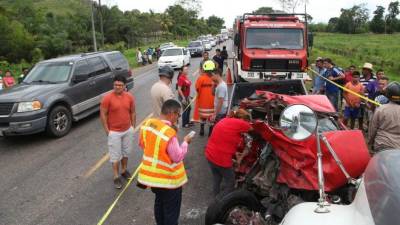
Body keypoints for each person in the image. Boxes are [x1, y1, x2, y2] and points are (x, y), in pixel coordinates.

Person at [138, 99, 193, 225]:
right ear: (172, 113)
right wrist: (185, 143)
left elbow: (143, 144)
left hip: (153, 179)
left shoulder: (148, 124)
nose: (178, 118)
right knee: (171, 212)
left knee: (159, 203)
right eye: (178, 115)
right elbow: (177, 157)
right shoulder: (169, 133)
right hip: (169, 181)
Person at [205, 109, 253, 197]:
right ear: (243, 119)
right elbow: (253, 128)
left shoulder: (225, 120)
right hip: (221, 159)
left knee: (217, 178)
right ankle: (221, 203)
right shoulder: (241, 123)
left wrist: (235, 154)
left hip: (210, 154)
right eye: (247, 121)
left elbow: (224, 139)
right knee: (231, 183)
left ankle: (215, 198)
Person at [100, 75, 136, 189]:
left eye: (120, 85)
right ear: (113, 85)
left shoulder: (129, 96)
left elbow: (133, 112)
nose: (118, 87)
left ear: (124, 86)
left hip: (127, 130)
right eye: (116, 85)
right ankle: (116, 176)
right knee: (115, 156)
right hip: (114, 132)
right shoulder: (107, 98)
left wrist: (133, 127)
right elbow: (103, 114)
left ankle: (124, 170)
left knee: (126, 152)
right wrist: (107, 131)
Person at [368, 81, 400, 154]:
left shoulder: (381, 109)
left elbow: (373, 128)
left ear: (387, 94)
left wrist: (370, 142)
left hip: (383, 144)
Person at [194, 60, 216, 136]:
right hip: (212, 103)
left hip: (203, 102)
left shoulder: (200, 79)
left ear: (204, 69)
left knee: (203, 118)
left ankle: (202, 130)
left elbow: (197, 89)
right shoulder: (215, 78)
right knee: (211, 119)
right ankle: (210, 132)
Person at [359, 63, 376, 131]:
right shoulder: (360, 78)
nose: (363, 71)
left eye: (364, 69)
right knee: (360, 115)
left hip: (370, 100)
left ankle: (369, 128)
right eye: (363, 69)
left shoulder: (374, 78)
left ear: (369, 71)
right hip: (360, 99)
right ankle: (360, 128)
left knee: (369, 116)